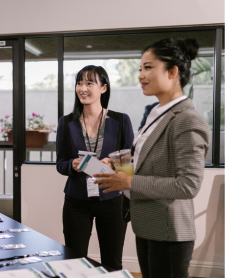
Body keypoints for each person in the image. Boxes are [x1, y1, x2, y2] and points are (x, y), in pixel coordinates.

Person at [94, 38, 211, 278]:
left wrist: (130, 183)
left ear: (172, 71)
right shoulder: (156, 113)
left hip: (169, 232)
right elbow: (150, 158)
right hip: (147, 225)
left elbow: (188, 185)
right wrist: (120, 163)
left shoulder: (187, 119)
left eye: (148, 67)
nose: (140, 75)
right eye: (140, 69)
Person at [56, 65, 134, 270]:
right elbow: (60, 163)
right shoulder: (66, 123)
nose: (83, 88)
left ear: (103, 88)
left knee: (112, 262)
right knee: (73, 261)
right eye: (79, 83)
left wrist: (114, 163)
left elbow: (130, 164)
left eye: (90, 83)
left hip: (112, 200)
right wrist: (72, 165)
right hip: (76, 201)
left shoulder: (121, 120)